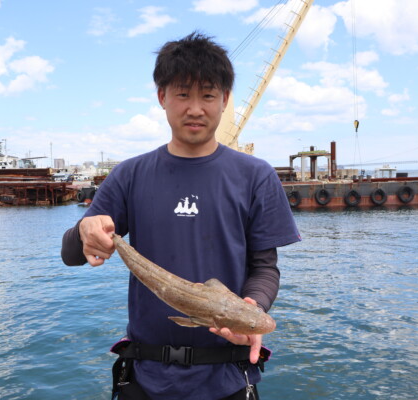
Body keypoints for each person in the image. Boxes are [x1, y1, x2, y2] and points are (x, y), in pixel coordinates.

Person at [61, 31, 300, 400]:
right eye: (182, 94)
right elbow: (71, 254)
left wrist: (251, 305)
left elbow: (265, 267)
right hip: (145, 379)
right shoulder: (130, 175)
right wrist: (84, 230)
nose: (195, 108)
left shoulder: (257, 176)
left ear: (224, 99)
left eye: (207, 94)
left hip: (230, 378)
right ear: (162, 97)